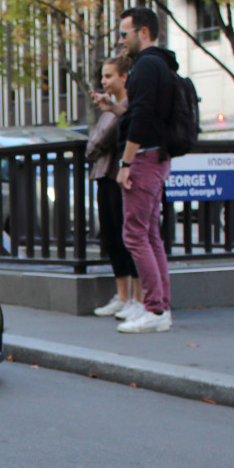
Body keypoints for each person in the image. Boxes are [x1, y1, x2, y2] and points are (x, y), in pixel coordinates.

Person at [115, 6, 178, 334]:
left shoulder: (146, 67)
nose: (121, 40)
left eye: (125, 33)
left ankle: (154, 309)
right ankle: (160, 307)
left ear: (143, 32)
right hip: (159, 157)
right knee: (150, 235)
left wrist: (126, 163)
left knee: (136, 234)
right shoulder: (163, 64)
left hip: (145, 158)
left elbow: (140, 117)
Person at [87, 55, 143, 321]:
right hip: (105, 174)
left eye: (109, 76)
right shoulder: (111, 105)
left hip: (118, 172)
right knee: (111, 236)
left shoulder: (128, 104)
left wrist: (93, 144)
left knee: (128, 236)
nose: (104, 81)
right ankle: (123, 297)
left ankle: (136, 298)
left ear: (124, 77)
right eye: (103, 76)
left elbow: (100, 140)